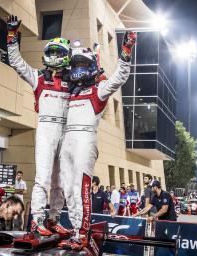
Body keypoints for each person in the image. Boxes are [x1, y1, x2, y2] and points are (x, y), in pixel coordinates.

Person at [58, 31, 136, 250]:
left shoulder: (98, 90)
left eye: (82, 64)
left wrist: (126, 50)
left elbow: (119, 77)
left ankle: (83, 233)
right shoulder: (70, 93)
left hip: (85, 139)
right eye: (75, 65)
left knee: (82, 187)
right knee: (68, 189)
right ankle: (74, 230)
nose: (77, 69)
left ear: (91, 66)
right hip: (67, 139)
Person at [7, 15, 71, 236]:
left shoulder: (73, 81)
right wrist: (12, 35)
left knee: (60, 182)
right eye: (51, 52)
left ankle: (53, 219)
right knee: (42, 179)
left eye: (58, 53)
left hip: (66, 132)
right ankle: (36, 221)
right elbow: (16, 62)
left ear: (66, 57)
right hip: (45, 130)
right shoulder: (38, 78)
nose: (54, 56)